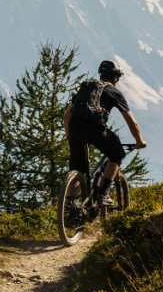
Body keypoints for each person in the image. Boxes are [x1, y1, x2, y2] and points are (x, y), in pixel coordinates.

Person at [62, 59, 147, 205]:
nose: (118, 80)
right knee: (117, 153)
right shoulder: (114, 91)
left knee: (77, 169)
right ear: (114, 77)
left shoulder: (86, 89)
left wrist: (70, 136)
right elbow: (132, 122)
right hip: (94, 128)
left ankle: (69, 206)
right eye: (118, 78)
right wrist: (139, 141)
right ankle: (102, 194)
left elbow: (66, 116)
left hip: (74, 128)